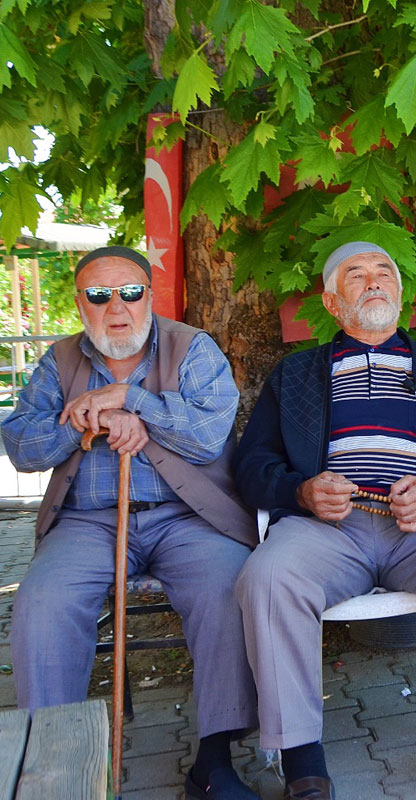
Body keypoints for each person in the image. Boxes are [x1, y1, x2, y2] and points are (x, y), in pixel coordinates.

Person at [233, 241, 416, 800]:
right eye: (356, 275)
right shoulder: (296, 374)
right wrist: (302, 490)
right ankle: (302, 766)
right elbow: (251, 467)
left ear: (401, 291)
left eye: (383, 271)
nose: (373, 282)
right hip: (328, 529)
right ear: (332, 302)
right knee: (267, 577)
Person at [1, 246, 259, 799]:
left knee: (228, 589)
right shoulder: (61, 360)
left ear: (150, 295)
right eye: (98, 295)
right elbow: (22, 444)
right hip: (88, 522)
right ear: (80, 303)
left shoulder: (193, 349)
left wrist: (133, 403)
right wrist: (87, 422)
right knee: (42, 605)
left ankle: (214, 761)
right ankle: (60, 761)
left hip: (189, 517)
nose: (115, 306)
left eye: (129, 292)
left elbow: (208, 435)